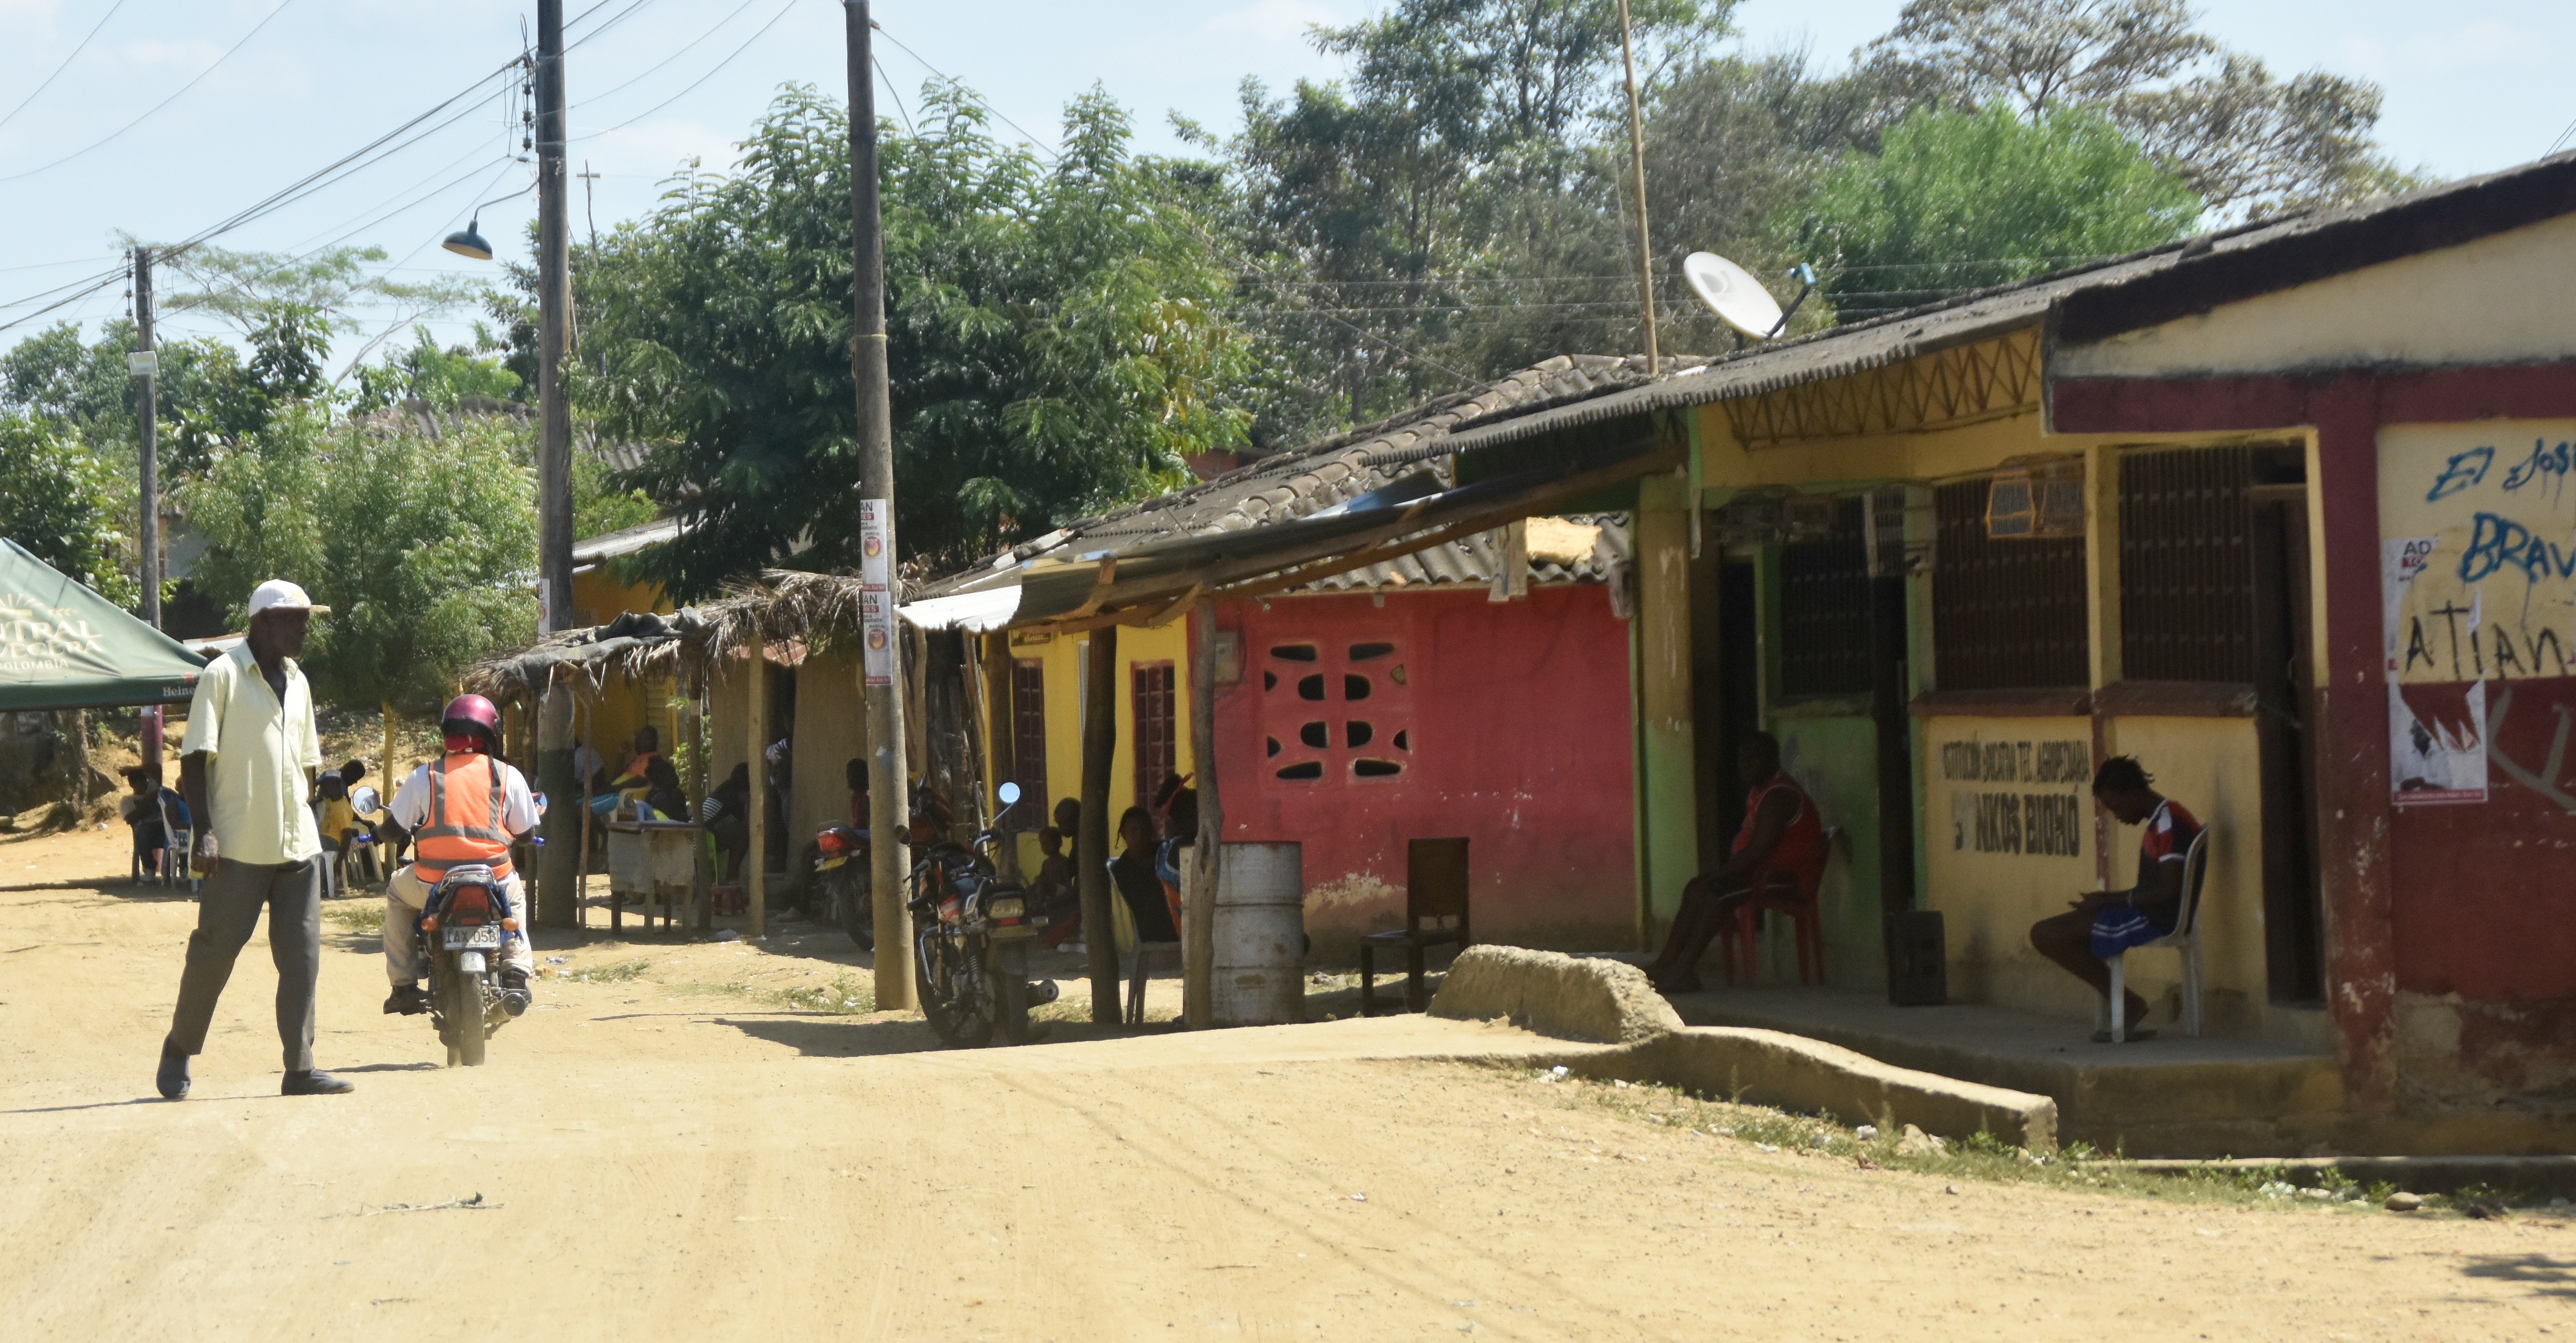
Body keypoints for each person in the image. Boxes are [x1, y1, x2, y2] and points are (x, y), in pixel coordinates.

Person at [158, 579, 353, 1100]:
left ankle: (300, 1068)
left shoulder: (300, 681)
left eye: (307, 619)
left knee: (303, 959)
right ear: (263, 621)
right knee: (214, 954)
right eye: (295, 619)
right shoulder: (222, 676)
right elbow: (194, 759)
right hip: (239, 847)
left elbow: (306, 763)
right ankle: (179, 1046)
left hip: (298, 847)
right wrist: (205, 832)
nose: (304, 629)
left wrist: (313, 801)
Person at [380, 695, 541, 1019]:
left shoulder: (424, 776)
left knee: (397, 894)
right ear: (491, 733)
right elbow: (525, 835)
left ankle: (403, 985)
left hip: (433, 885)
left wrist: (379, 832)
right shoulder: (508, 775)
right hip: (494, 882)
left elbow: (394, 830)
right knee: (517, 898)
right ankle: (516, 973)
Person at [1642, 732, 1828, 995]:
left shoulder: (1779, 796)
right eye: (1742, 760)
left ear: (1772, 761)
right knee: (1696, 887)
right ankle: (1667, 963)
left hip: (1786, 877)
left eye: (1753, 760)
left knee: (1716, 892)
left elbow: (1759, 851)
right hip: (1765, 872)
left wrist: (1722, 874)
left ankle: (1683, 969)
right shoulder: (1760, 792)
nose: (1745, 767)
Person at [2030, 756, 2201, 1041]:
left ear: (2133, 793)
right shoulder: (2164, 819)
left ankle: (2128, 1003)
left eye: (2116, 807)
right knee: (2049, 932)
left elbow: (2168, 889)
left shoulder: (2168, 824)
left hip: (2156, 919)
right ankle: (2125, 1001)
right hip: (2147, 911)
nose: (2117, 816)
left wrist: (2110, 900)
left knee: (2048, 935)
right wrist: (2107, 902)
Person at [1111, 805, 1180, 944]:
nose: (1140, 836)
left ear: (1151, 832)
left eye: (1144, 830)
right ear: (1123, 833)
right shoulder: (1121, 869)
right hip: (1148, 930)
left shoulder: (1165, 854)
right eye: (1133, 831)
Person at [120, 765, 186, 882]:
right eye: (139, 783)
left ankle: (185, 869)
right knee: (142, 831)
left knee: (182, 831)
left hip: (165, 828)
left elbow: (156, 769)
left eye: (145, 781)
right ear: (132, 784)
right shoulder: (127, 800)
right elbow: (130, 819)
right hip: (147, 831)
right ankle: (150, 869)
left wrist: (132, 768)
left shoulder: (158, 793)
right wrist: (147, 802)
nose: (143, 784)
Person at [1031, 823, 1080, 949]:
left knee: (1042, 883)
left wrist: (1062, 893)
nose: (1046, 847)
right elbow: (1042, 878)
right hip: (1049, 892)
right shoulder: (1046, 863)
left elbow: (1067, 882)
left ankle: (1041, 905)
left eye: (1049, 843)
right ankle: (1039, 905)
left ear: (1059, 843)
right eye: (1043, 844)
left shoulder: (1063, 861)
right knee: (1038, 883)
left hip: (1061, 891)